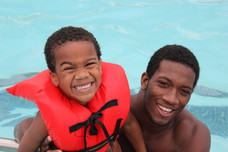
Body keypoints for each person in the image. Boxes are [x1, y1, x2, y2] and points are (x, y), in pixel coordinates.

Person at [9, 26, 146, 152]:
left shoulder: (113, 98)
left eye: (89, 64)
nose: (82, 75)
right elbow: (26, 147)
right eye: (69, 68)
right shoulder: (45, 118)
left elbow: (130, 124)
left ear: (100, 66)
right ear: (54, 77)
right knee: (24, 127)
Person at [118, 44, 211, 152]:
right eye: (164, 84)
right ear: (145, 81)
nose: (172, 99)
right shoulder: (110, 110)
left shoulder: (193, 136)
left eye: (184, 91)